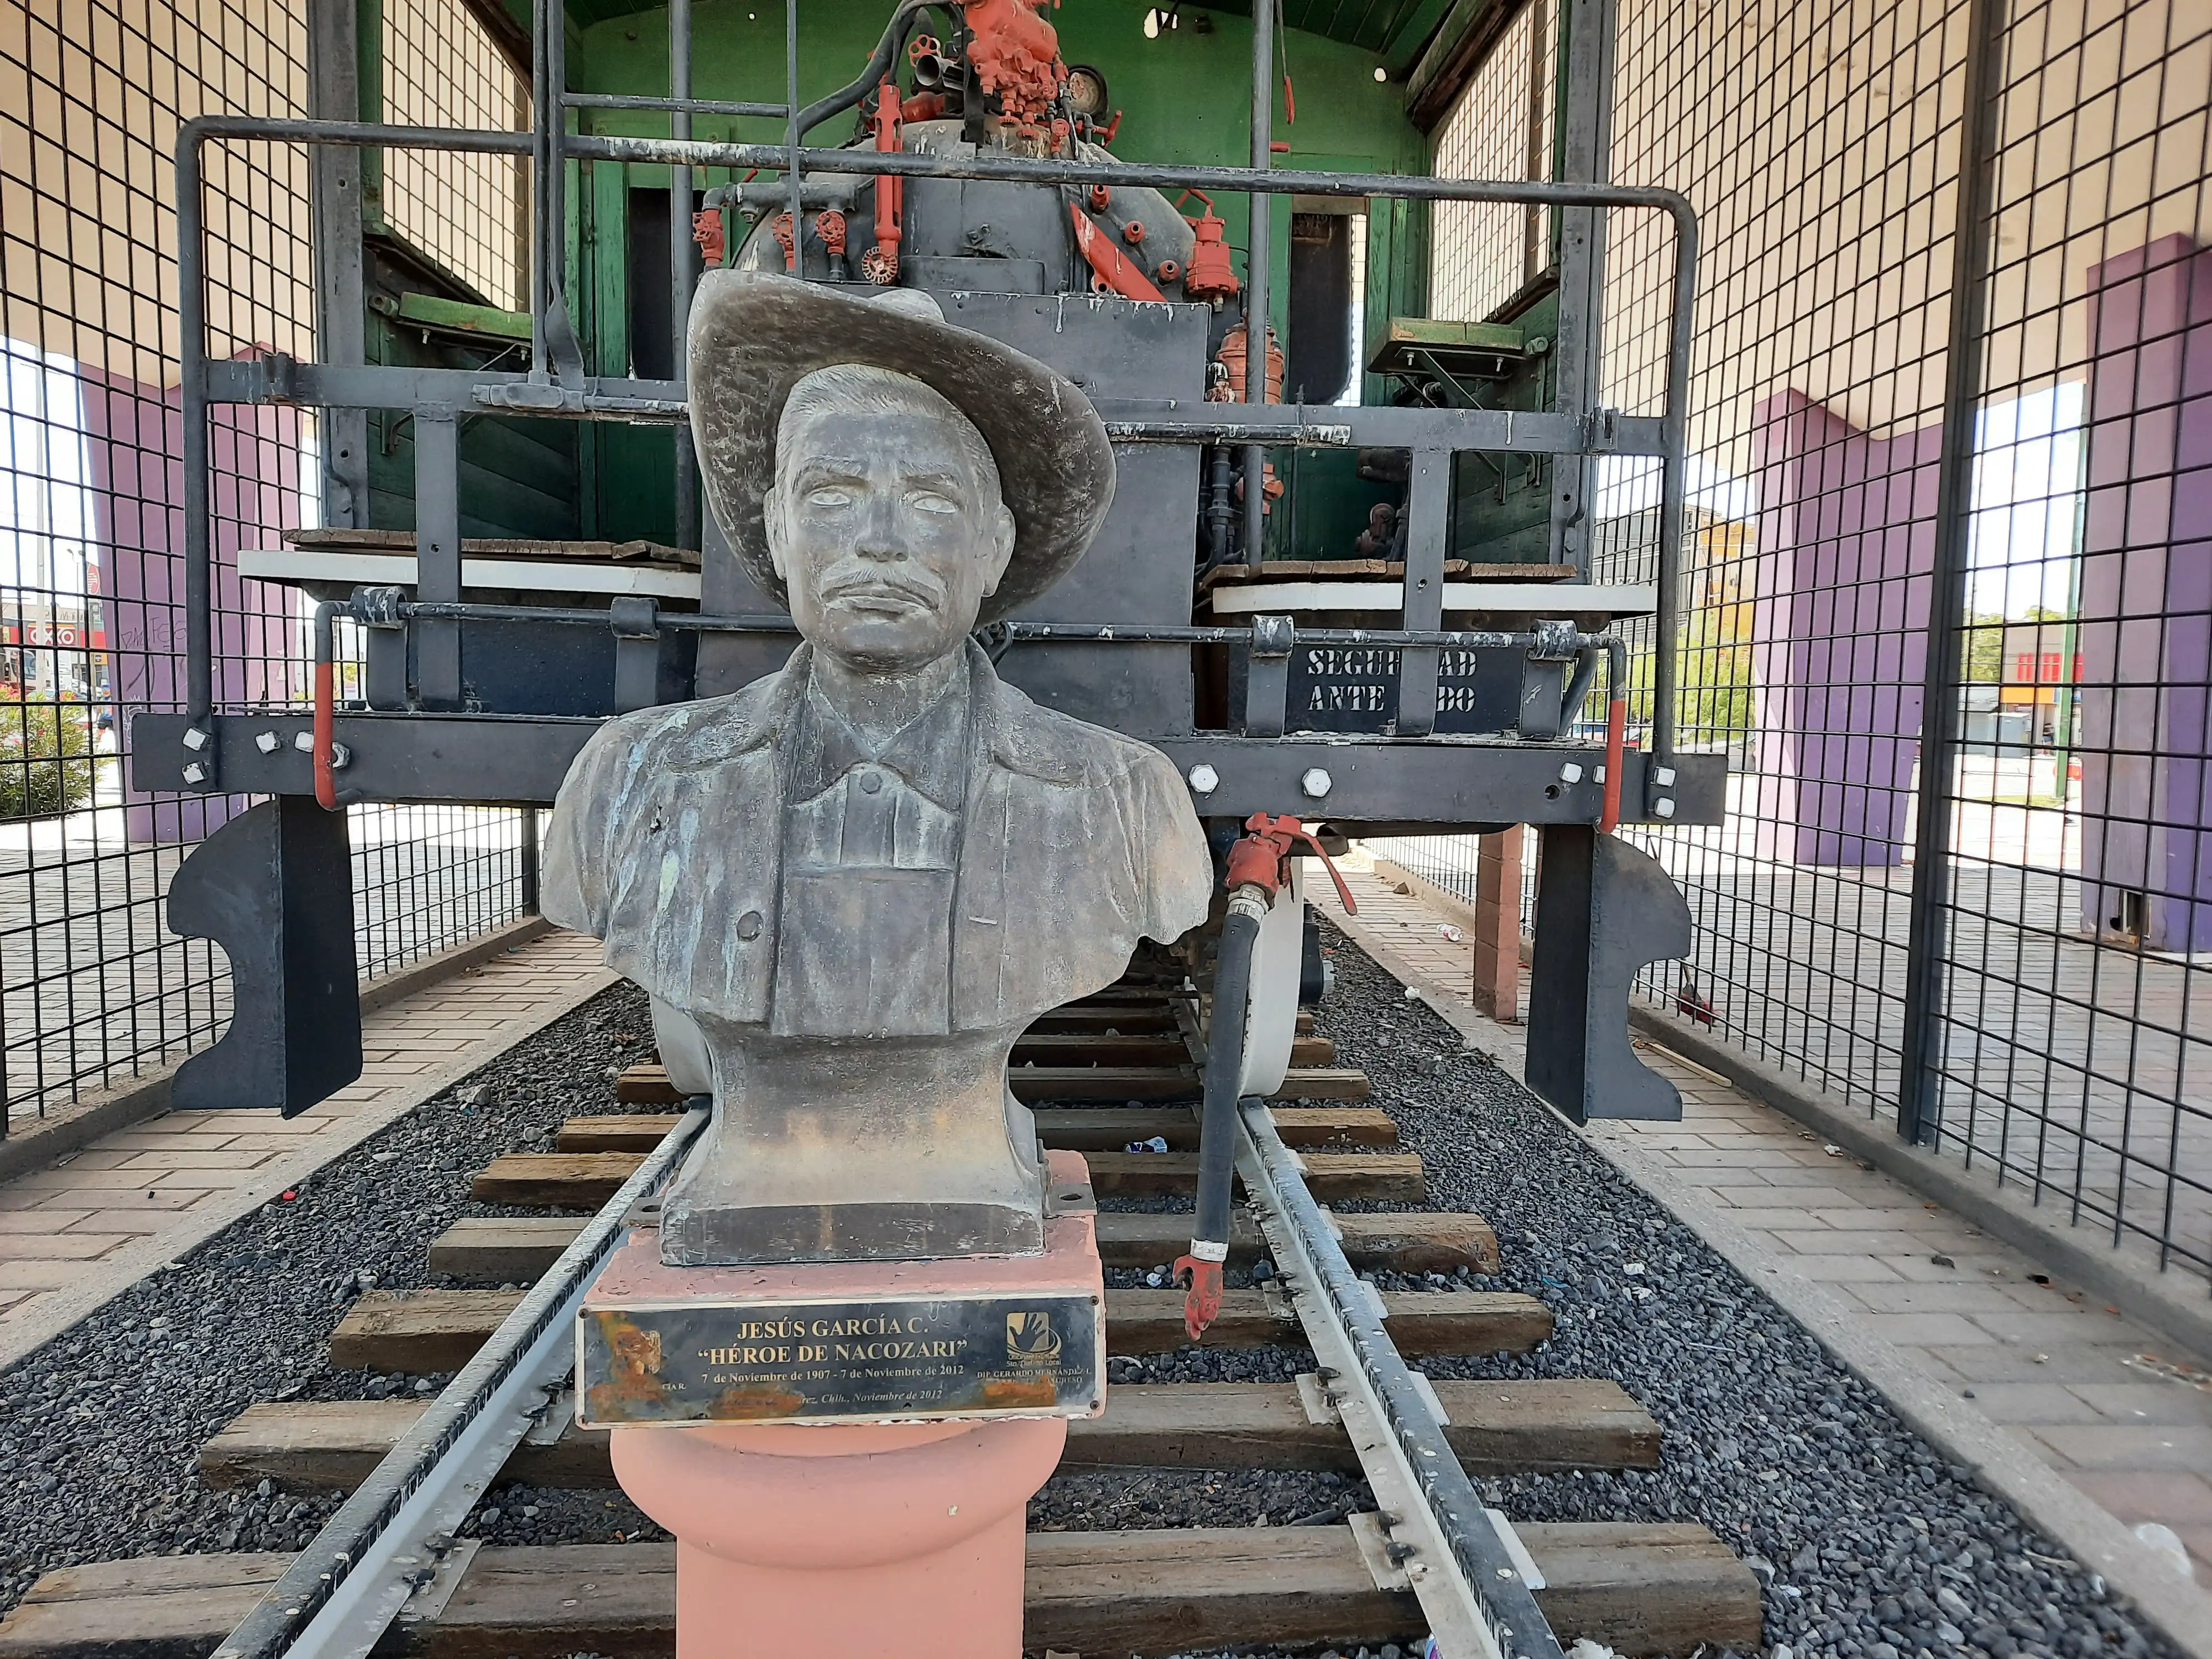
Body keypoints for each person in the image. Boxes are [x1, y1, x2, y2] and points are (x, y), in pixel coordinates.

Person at [544, 272, 1212, 1265]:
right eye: (834, 494)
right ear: (777, 533)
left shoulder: (1121, 799)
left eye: (931, 499)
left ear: (994, 549)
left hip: (980, 1179)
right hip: (747, 1183)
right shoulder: (631, 780)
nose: (880, 539)